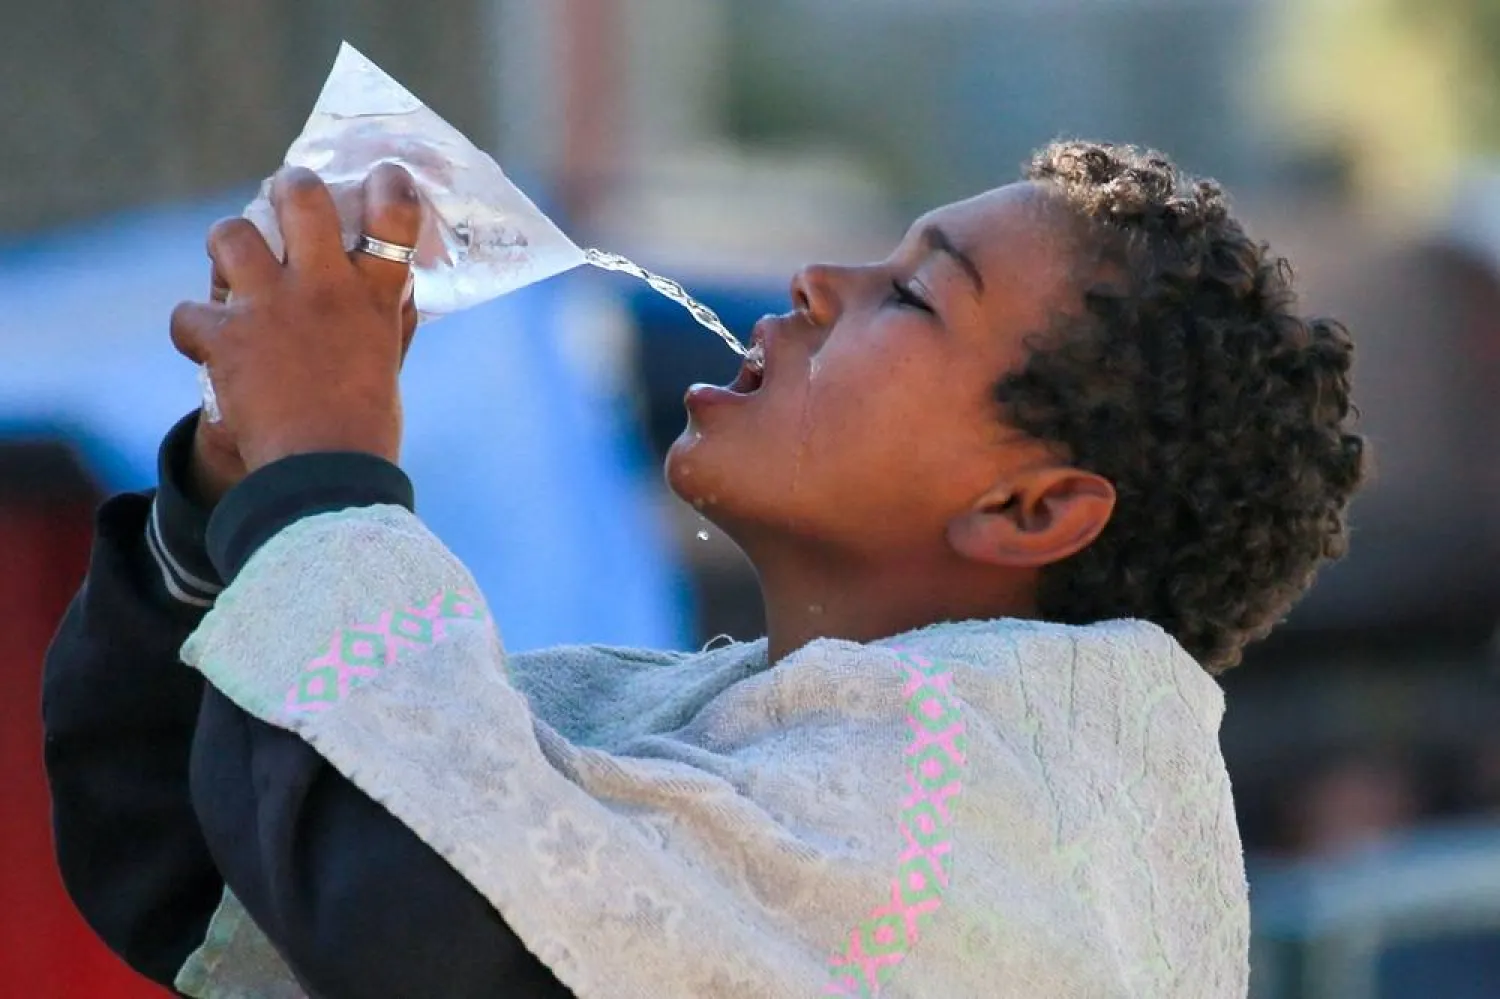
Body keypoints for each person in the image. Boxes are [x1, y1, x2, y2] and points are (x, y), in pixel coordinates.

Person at [43, 143, 1365, 998]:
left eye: (911, 296)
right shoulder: (742, 753)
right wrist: (232, 490)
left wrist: (323, 479)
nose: (813, 280)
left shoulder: (994, 821)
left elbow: (435, 933)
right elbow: (198, 868)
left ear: (1029, 507)